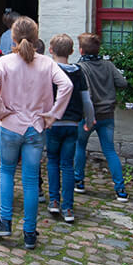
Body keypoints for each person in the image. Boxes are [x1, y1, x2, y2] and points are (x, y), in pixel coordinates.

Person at [0, 17, 72, 250]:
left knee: (6, 172)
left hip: (11, 126)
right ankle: (30, 232)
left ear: (12, 38)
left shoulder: (5, 62)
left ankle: (5, 221)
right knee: (31, 181)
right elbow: (67, 86)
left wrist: (0, 110)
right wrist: (53, 114)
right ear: (36, 37)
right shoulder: (47, 63)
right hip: (35, 126)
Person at [75, 33, 130, 201]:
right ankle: (120, 189)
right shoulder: (108, 65)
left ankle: (79, 181)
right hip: (107, 115)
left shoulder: (81, 68)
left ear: (81, 50)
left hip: (89, 116)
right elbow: (122, 83)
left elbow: (84, 93)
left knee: (80, 146)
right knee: (110, 151)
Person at [46, 34, 96, 222]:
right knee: (67, 164)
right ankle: (68, 208)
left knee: (52, 161)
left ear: (51, 50)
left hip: (54, 123)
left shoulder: (49, 71)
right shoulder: (78, 72)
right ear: (72, 51)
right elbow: (86, 100)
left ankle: (54, 200)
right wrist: (90, 120)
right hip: (72, 123)